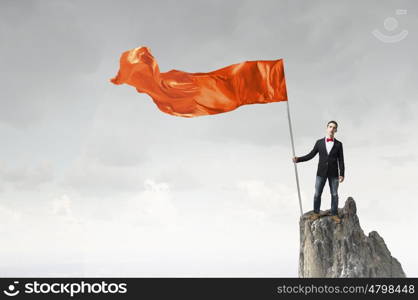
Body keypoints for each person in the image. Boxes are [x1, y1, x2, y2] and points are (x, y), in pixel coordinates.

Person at [292, 121, 345, 224]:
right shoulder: (319, 142)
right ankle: (316, 212)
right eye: (330, 127)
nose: (332, 129)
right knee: (317, 194)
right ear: (327, 128)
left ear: (336, 130)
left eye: (334, 128)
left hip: (334, 174)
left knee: (334, 194)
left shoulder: (339, 144)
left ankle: (334, 214)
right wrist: (298, 159)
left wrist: (342, 174)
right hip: (321, 173)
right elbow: (311, 155)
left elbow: (341, 160)